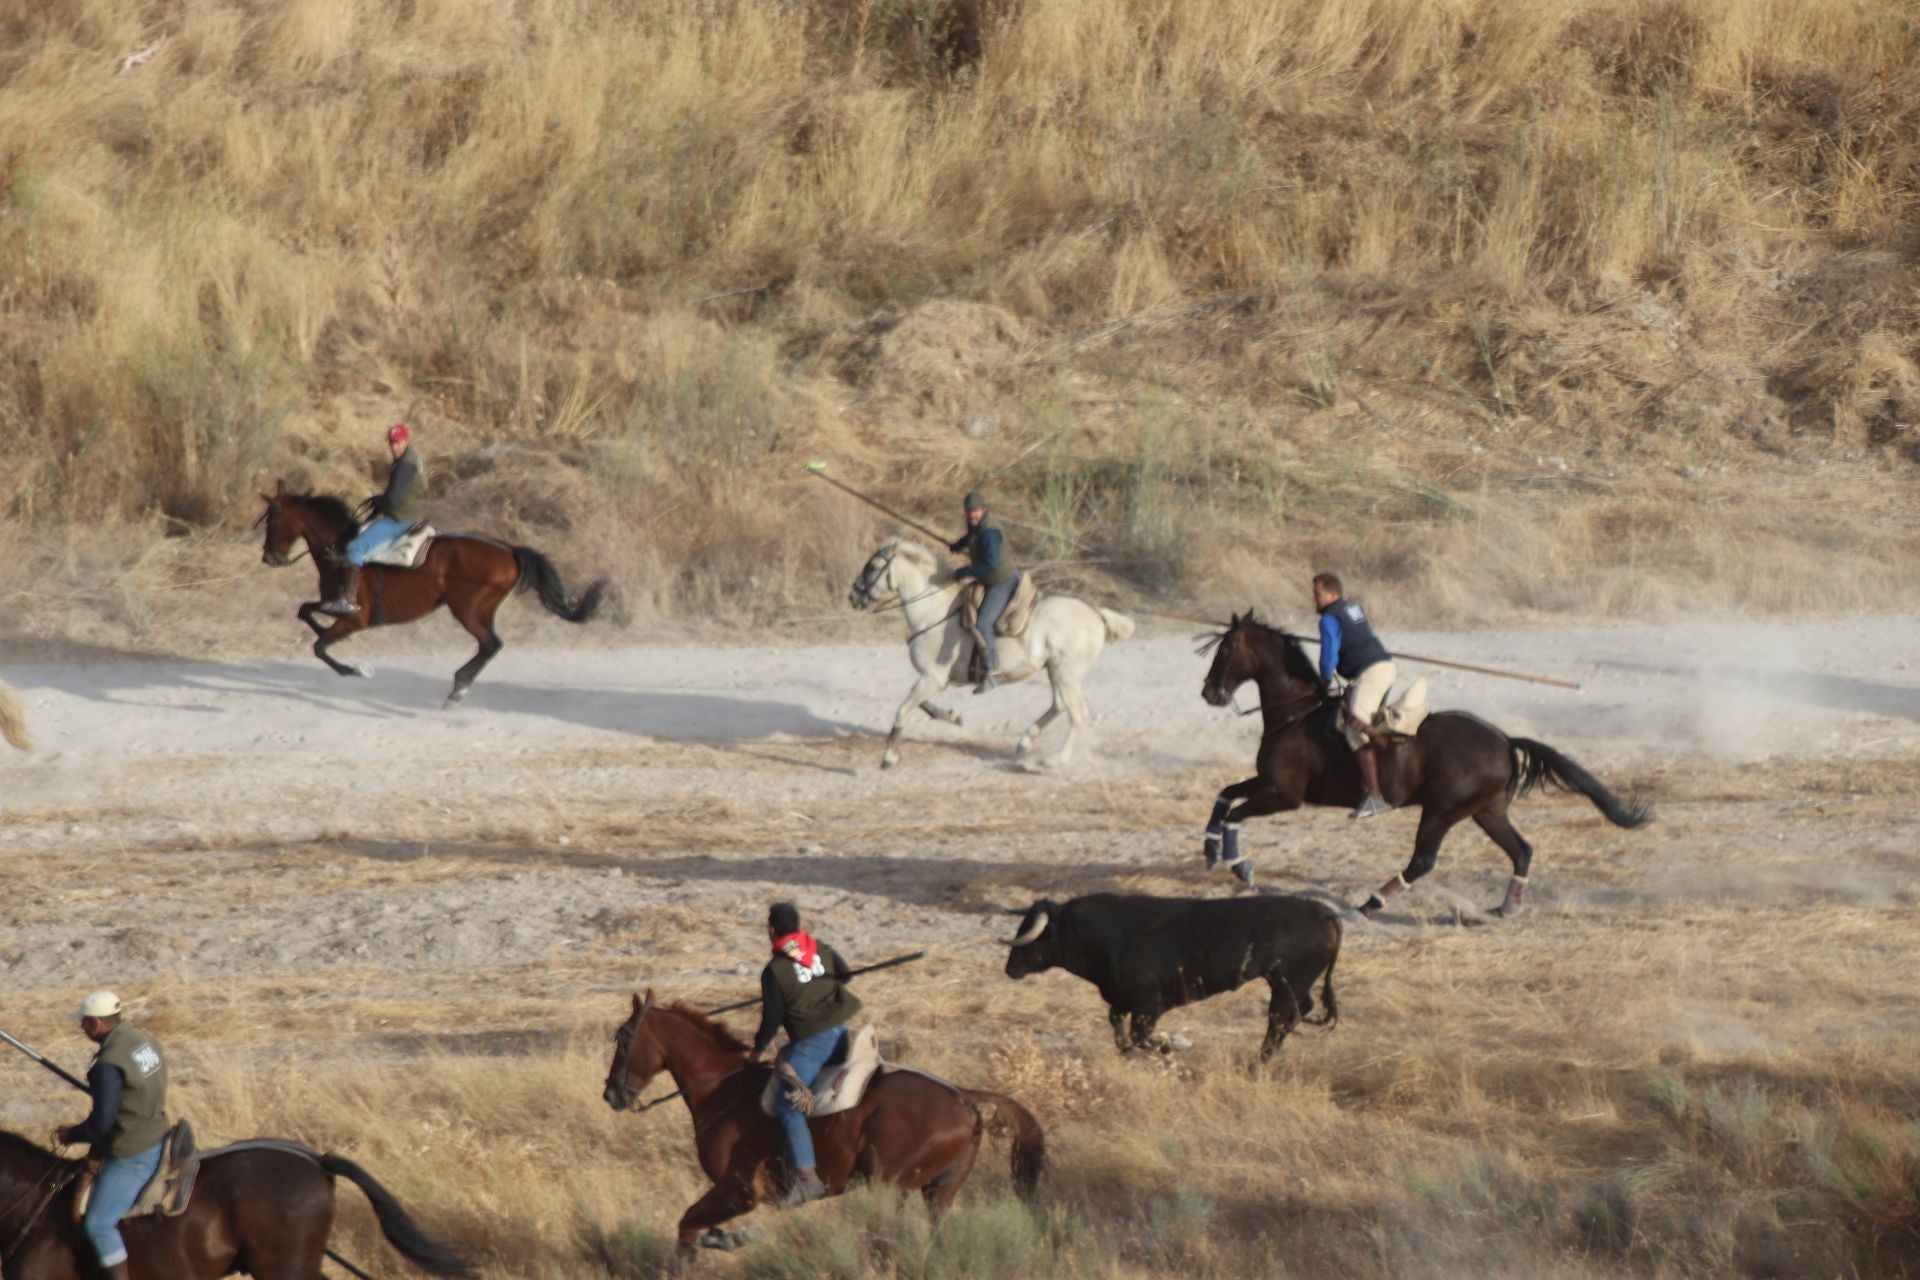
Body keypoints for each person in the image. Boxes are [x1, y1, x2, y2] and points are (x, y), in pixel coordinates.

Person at [750, 902, 861, 1207]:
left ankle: (807, 1179)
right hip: (841, 1034)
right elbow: (846, 975)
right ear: (799, 926)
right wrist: (817, 986)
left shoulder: (775, 970)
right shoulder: (819, 948)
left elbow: (772, 1021)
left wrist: (757, 1050)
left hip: (814, 1043)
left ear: (771, 929)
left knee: (788, 1105)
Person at [53, 992, 170, 1280]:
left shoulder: (108, 1064)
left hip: (135, 1151)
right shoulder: (141, 1040)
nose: (82, 1028)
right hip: (159, 1129)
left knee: (98, 1225)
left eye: (84, 1023)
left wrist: (71, 1134)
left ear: (96, 1023)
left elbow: (100, 1126)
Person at [318, 423, 428, 616]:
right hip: (407, 513)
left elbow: (393, 499)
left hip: (400, 519)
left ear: (406, 441)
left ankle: (348, 600)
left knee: (355, 547)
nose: (394, 447)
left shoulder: (404, 465)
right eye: (392, 443)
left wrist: (379, 500)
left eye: (398, 443)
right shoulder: (411, 459)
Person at [1314, 572, 1398, 819]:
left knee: (1355, 728)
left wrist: (1324, 678)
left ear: (1332, 594)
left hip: (1369, 673)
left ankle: (1375, 797)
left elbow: (1329, 654)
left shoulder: (1329, 617)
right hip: (1384, 666)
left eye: (1317, 594)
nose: (1314, 600)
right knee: (1349, 722)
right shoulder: (1352, 607)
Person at [947, 491, 1020, 692]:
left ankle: (993, 670)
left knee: (983, 623)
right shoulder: (976, 526)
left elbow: (989, 564)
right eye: (969, 511)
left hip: (1001, 582)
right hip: (988, 580)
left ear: (984, 510)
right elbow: (971, 537)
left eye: (976, 511)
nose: (972, 515)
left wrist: (964, 572)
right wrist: (958, 545)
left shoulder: (990, 532)